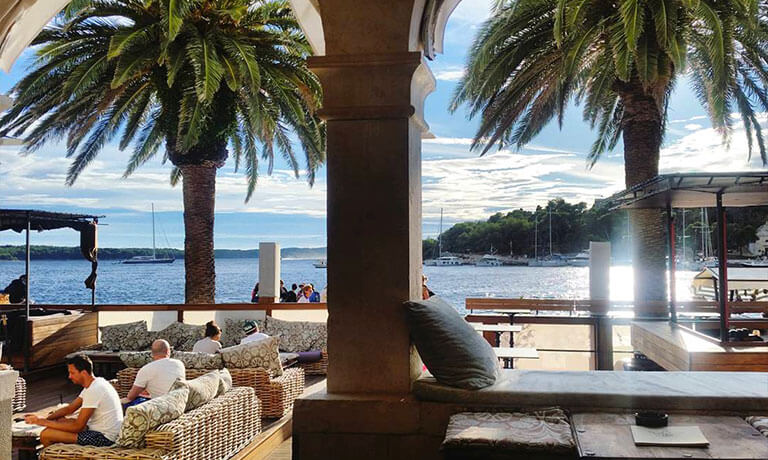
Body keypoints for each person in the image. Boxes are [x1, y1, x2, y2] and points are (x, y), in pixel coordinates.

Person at [24, 354, 123, 447]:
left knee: (46, 434)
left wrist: (41, 422)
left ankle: (55, 455)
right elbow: (70, 409)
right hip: (97, 430)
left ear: (83, 373)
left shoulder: (95, 389)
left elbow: (78, 427)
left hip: (105, 438)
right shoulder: (95, 384)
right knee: (61, 420)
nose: (69, 376)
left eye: (72, 373)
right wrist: (46, 418)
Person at [124, 339, 185, 405]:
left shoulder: (146, 369)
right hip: (180, 403)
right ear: (168, 351)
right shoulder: (179, 364)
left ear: (152, 353)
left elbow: (130, 397)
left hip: (160, 407)